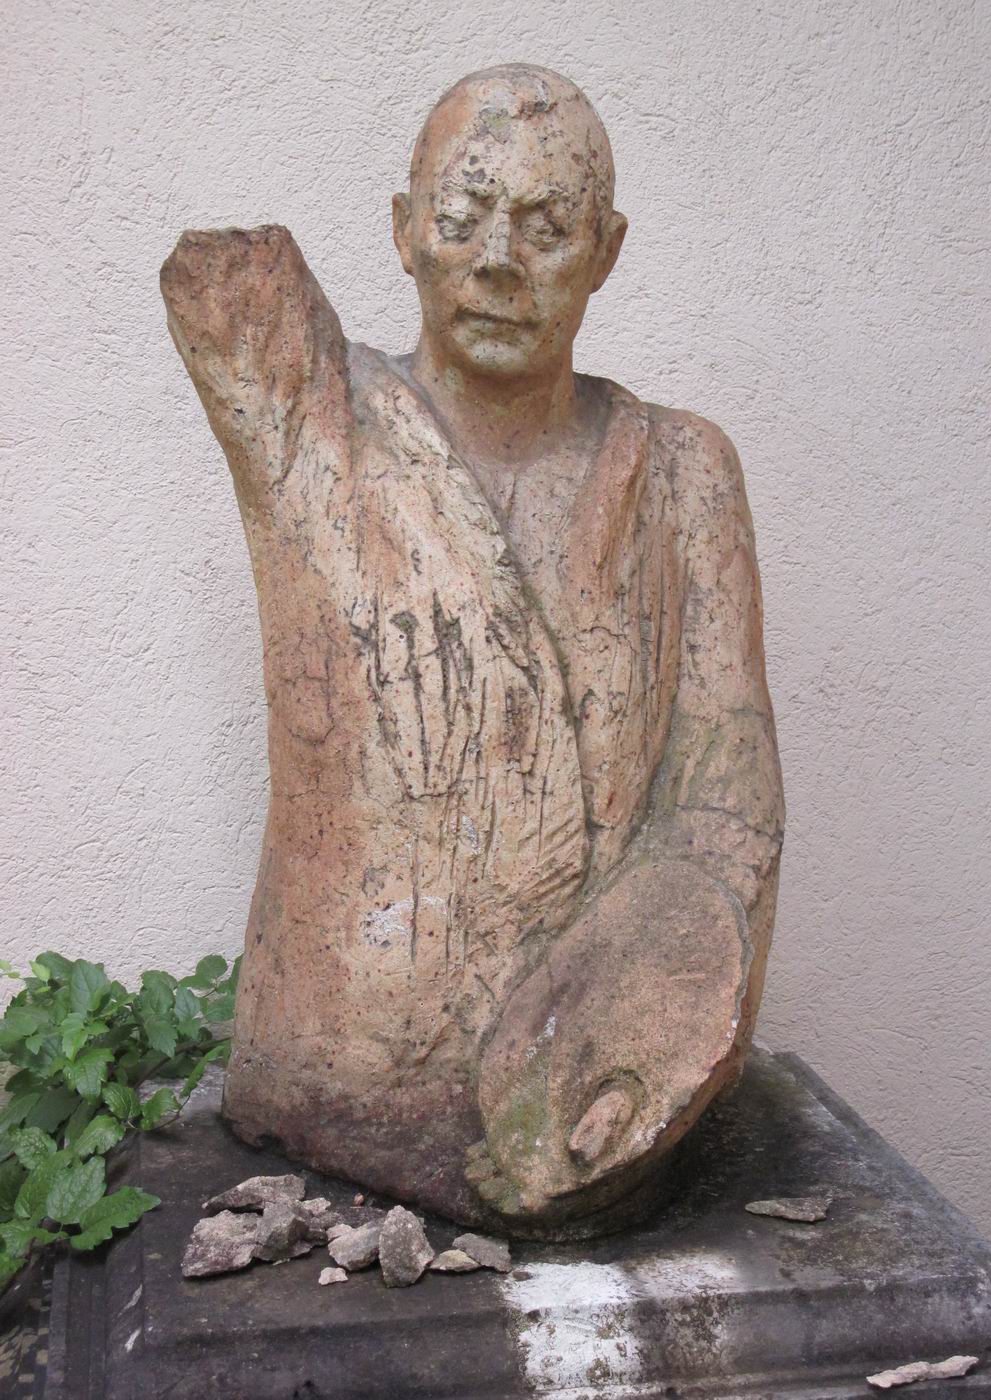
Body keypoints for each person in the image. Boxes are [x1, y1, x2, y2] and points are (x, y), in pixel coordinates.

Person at [160, 64, 784, 1237]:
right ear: (405, 232)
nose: (499, 260)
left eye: (548, 226)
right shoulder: (313, 418)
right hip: (331, 1079)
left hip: (574, 1089)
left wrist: (646, 1046)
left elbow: (723, 800)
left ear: (605, 251)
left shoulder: (683, 474)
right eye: (463, 216)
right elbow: (224, 298)